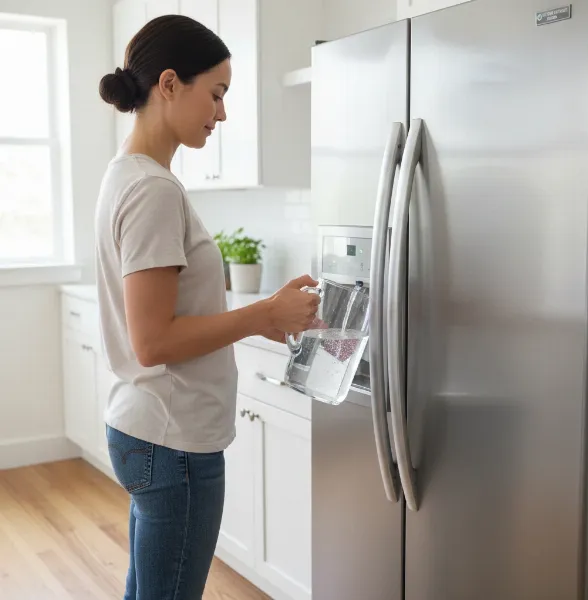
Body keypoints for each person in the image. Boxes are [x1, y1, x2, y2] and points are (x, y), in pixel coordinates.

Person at [95, 14, 319, 600]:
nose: (221, 114)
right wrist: (263, 314)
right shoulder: (152, 190)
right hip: (172, 441)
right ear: (169, 84)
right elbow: (156, 341)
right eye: (215, 94)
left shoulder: (128, 175)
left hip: (146, 426)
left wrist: (261, 316)